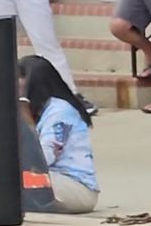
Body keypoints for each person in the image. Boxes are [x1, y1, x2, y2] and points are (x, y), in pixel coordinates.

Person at [18, 56, 99, 214]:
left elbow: (43, 158)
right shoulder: (42, 109)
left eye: (20, 78)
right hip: (56, 180)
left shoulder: (60, 112)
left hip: (77, 188)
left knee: (11, 181)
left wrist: (27, 122)